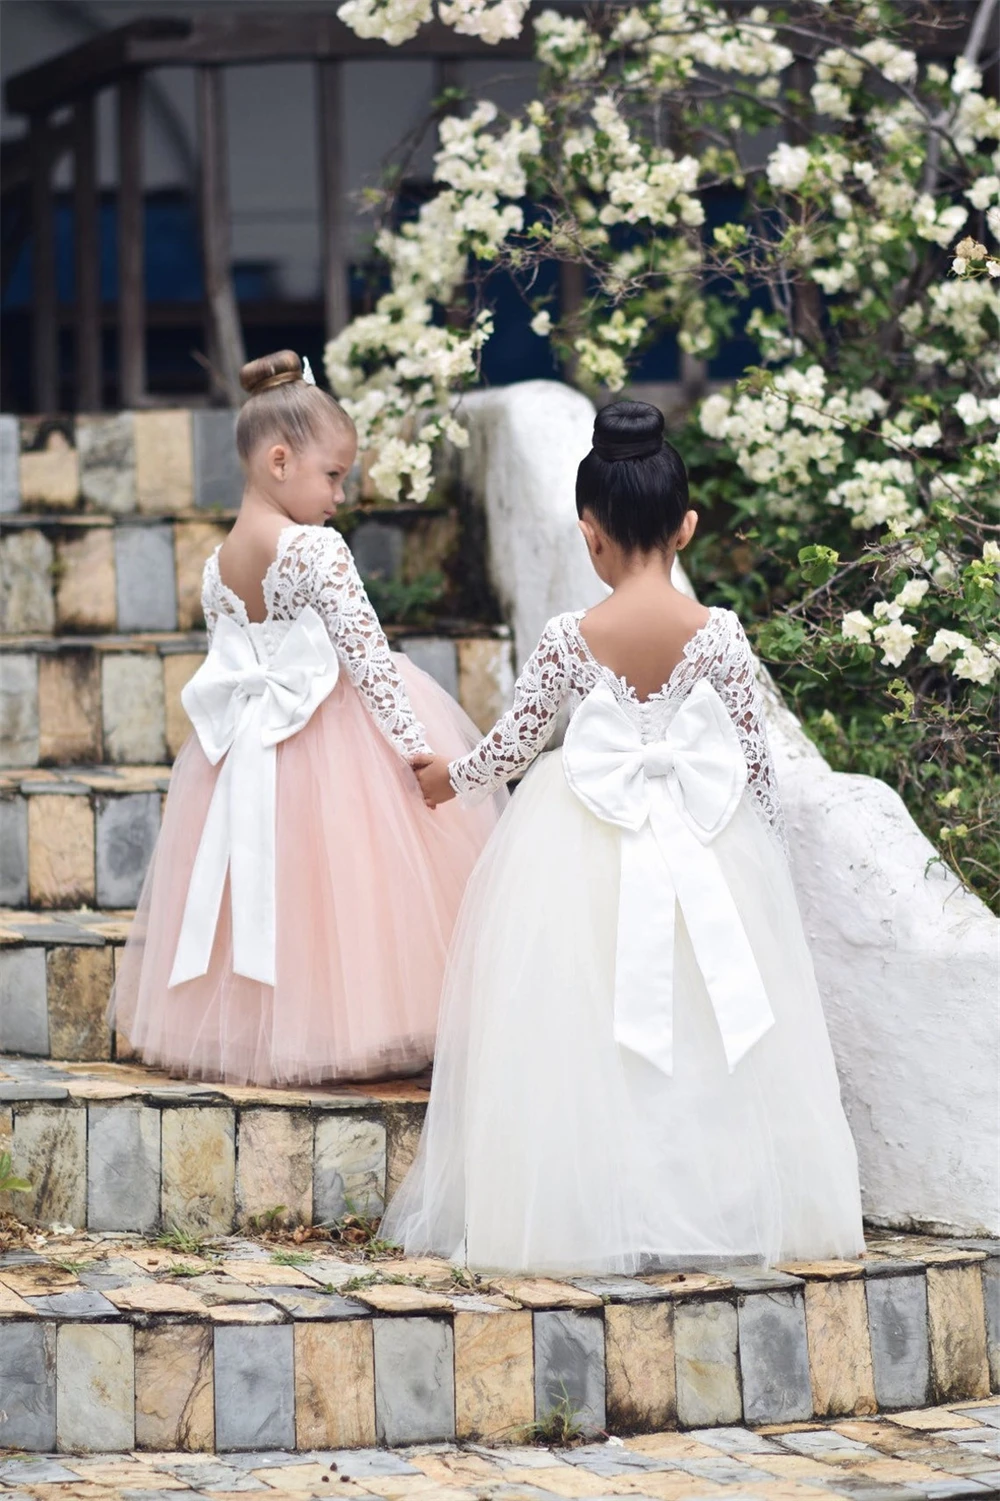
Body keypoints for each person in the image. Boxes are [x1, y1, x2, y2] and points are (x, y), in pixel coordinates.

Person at [384, 399, 865, 1273]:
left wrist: (444, 779)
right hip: (704, 841)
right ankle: (709, 1204)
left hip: (579, 843)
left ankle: (592, 1205)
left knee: (586, 1026)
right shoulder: (718, 632)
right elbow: (757, 766)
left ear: (589, 532)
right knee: (704, 1035)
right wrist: (768, 875)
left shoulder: (572, 636)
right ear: (686, 526)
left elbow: (515, 743)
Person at [112, 350, 501, 1086]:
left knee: (280, 886)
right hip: (336, 740)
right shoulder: (315, 549)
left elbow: (230, 662)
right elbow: (369, 659)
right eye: (333, 474)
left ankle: (276, 1025)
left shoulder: (216, 564)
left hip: (246, 751)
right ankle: (352, 1024)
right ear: (280, 460)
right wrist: (421, 754)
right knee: (343, 891)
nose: (341, 493)